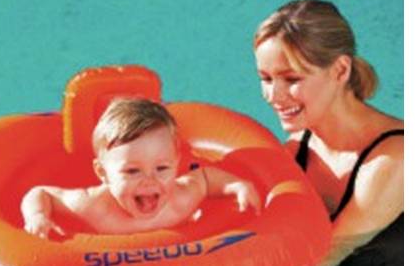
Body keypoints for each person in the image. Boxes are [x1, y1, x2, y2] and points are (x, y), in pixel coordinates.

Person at [251, 0, 403, 266]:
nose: (273, 96)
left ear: (339, 70)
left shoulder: (394, 158)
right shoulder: (298, 150)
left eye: (291, 80)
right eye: (266, 79)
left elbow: (326, 255)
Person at [21, 97, 262, 238]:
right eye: (132, 171)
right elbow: (41, 193)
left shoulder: (181, 199)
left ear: (177, 164)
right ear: (103, 173)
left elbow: (205, 179)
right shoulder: (92, 207)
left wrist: (235, 185)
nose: (149, 181)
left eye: (162, 168)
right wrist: (37, 216)